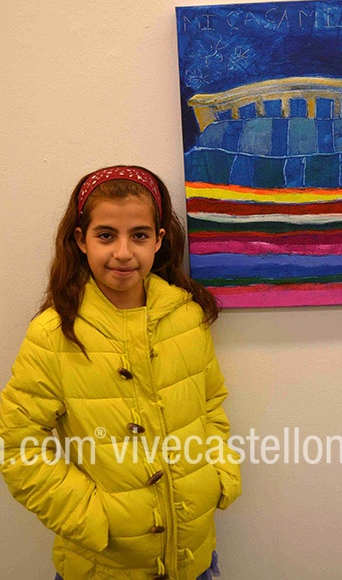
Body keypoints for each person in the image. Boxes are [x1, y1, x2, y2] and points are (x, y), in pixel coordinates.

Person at [0, 165, 241, 580]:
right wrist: (91, 516)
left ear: (159, 240)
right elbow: (19, 447)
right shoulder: (55, 333)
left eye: (139, 235)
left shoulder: (186, 316)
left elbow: (210, 406)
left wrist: (220, 475)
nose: (124, 252)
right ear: (81, 240)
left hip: (194, 556)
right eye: (106, 235)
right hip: (103, 564)